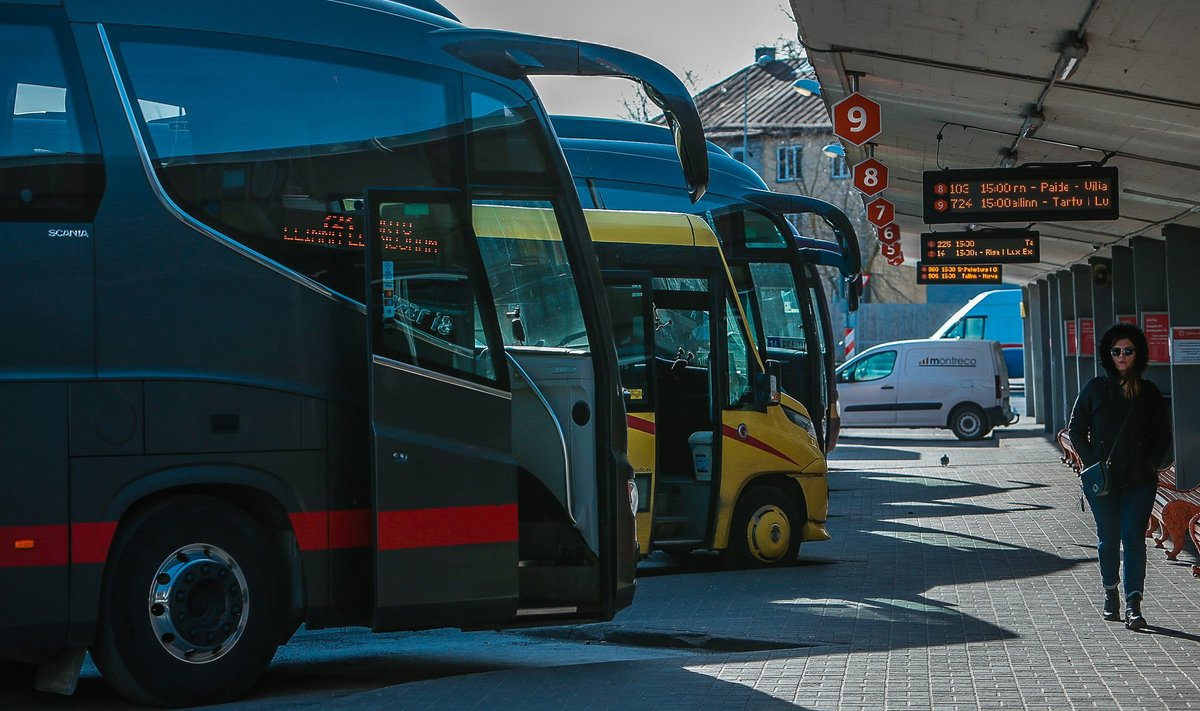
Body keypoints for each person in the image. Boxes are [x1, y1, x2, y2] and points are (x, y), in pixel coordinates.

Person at [1068, 322, 1172, 630]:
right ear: (1108, 355)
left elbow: (1163, 435)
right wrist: (1092, 464)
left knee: (1134, 540)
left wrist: (1151, 463)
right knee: (1108, 540)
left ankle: (1133, 604)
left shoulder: (1149, 392)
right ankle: (1110, 592)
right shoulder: (1095, 389)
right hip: (1104, 483)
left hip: (1139, 482)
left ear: (1137, 354)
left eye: (1128, 350)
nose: (1122, 356)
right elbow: (1076, 429)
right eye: (1116, 351)